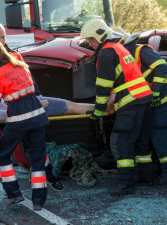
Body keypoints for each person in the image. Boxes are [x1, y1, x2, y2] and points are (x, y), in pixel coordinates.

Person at [0, 23, 64, 191]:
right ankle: (10, 189)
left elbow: (30, 81)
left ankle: (51, 178)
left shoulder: (15, 55)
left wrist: (38, 99)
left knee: (35, 147)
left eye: (3, 37)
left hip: (18, 109)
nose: (1, 41)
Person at [80, 18, 154, 195]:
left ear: (101, 35)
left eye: (91, 39)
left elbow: (104, 85)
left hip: (131, 101)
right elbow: (121, 79)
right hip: (143, 98)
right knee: (141, 141)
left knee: (121, 141)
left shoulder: (106, 53)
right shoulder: (118, 48)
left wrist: (98, 109)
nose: (90, 44)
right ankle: (146, 176)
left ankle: (125, 184)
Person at [0, 40, 49, 210]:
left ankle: (14, 194)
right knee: (38, 160)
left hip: (18, 118)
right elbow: (34, 91)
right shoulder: (22, 66)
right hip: (37, 115)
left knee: (2, 154)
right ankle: (38, 201)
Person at [111, 26, 167, 185]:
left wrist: (155, 92)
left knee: (159, 135)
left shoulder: (138, 50)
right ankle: (153, 174)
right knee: (149, 136)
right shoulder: (125, 55)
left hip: (160, 99)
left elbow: (162, 66)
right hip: (149, 100)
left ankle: (166, 173)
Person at [0, 97, 95, 121]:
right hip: (34, 106)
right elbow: (8, 114)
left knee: (70, 105)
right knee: (70, 107)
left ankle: (101, 106)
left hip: (31, 102)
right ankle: (102, 106)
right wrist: (35, 105)